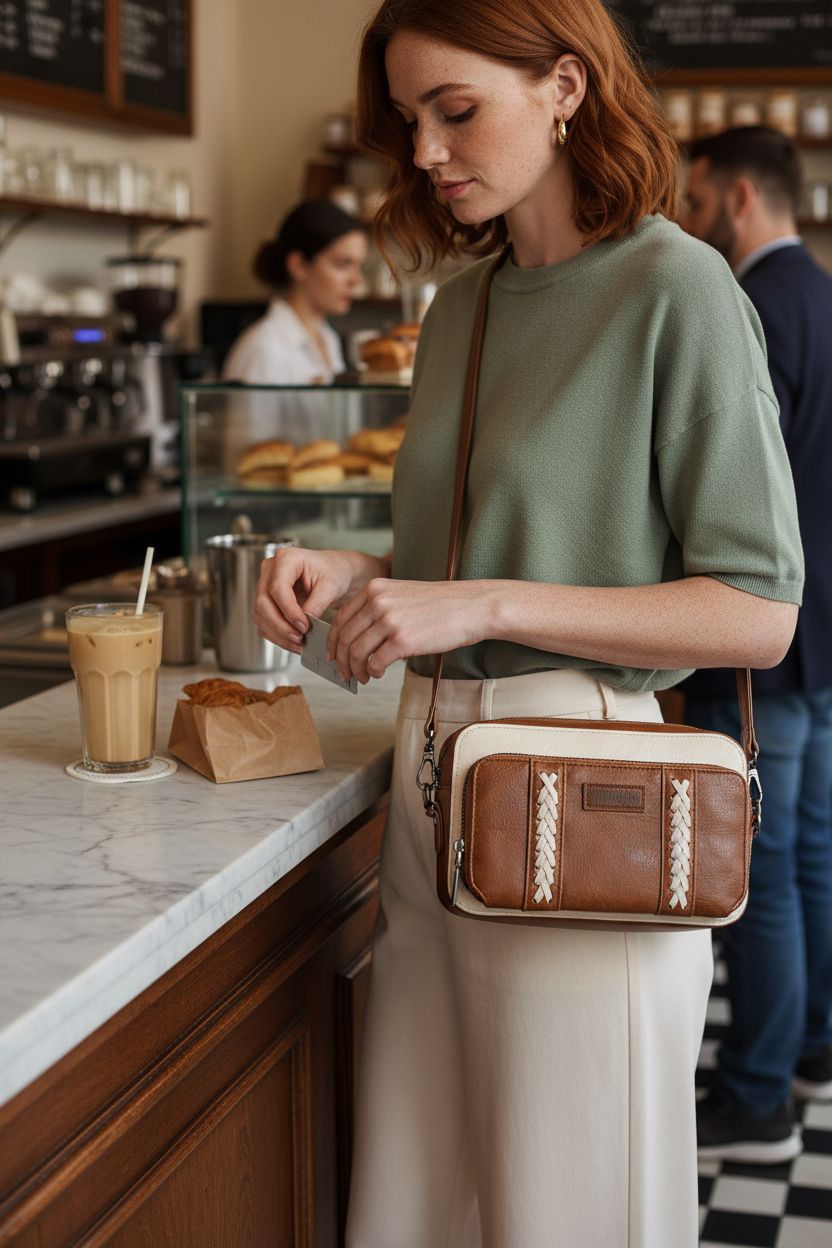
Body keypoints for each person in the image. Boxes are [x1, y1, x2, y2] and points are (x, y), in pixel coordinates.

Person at [253, 4, 803, 1243]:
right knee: (421, 1205)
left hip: (580, 797)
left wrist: (485, 600)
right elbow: (465, 561)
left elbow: (759, 609)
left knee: (569, 1209)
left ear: (565, 86)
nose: (427, 150)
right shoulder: (461, 310)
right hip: (429, 789)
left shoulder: (676, 287)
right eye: (410, 120)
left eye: (456, 110)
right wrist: (355, 573)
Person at [682, 126, 832, 1165]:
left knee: (762, 869)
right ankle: (812, 1045)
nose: (690, 222)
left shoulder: (749, 307)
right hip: (826, 635)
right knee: (812, 852)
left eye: (695, 201)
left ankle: (756, 1095)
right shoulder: (824, 293)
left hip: (762, 641)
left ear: (739, 197)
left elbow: (736, 494)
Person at [221, 199, 367, 385]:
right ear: (298, 265)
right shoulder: (264, 350)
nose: (356, 280)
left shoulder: (329, 340)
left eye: (358, 266)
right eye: (342, 264)